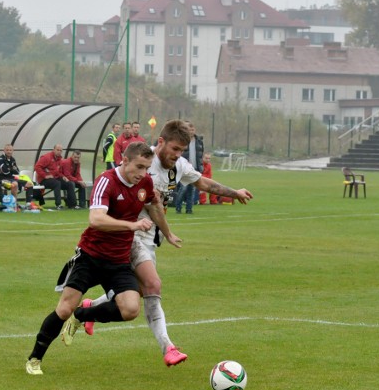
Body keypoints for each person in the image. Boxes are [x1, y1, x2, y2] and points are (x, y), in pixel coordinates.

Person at [87, 119, 253, 367]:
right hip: (131, 234)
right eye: (174, 149)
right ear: (161, 142)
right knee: (153, 284)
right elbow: (152, 207)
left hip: (150, 237)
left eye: (182, 151)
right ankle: (168, 347)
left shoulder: (179, 166)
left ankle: (90, 308)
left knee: (141, 290)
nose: (178, 155)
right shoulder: (144, 165)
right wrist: (169, 231)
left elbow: (203, 182)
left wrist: (234, 192)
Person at [25, 142, 182, 375]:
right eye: (139, 166)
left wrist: (167, 232)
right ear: (125, 160)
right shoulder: (106, 180)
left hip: (118, 261)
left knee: (130, 309)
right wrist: (132, 225)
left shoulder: (145, 183)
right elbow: (96, 219)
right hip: (90, 256)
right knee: (65, 308)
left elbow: (155, 207)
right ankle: (35, 359)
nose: (142, 174)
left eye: (146, 168)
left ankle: (83, 314)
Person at [34, 143, 77, 210]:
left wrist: (63, 176)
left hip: (54, 178)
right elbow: (37, 167)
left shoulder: (59, 159)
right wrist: (45, 175)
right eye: (58, 150)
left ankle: (73, 205)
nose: (59, 152)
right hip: (43, 180)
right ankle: (58, 204)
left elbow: (58, 172)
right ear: (53, 150)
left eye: (60, 150)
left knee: (70, 183)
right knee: (57, 183)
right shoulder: (46, 157)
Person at [175, 121, 204, 214]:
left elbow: (200, 154)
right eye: (189, 130)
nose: (191, 132)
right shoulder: (182, 140)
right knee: (183, 188)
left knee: (192, 190)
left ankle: (189, 209)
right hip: (185, 168)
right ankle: (178, 207)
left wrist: (200, 166)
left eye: (192, 130)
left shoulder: (198, 140)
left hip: (195, 168)